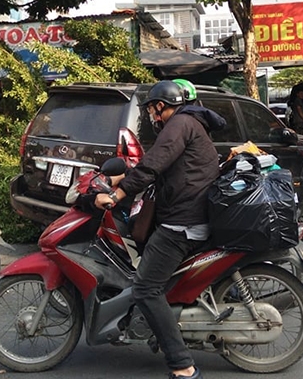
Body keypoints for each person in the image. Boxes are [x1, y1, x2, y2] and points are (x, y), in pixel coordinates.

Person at [95, 80, 222, 379]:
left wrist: (117, 195)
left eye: (152, 108)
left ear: (162, 106)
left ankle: (183, 366)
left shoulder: (179, 124)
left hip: (184, 222)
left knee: (145, 288)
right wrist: (117, 179)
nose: (151, 114)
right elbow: (156, 165)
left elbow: (153, 165)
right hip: (187, 214)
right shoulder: (190, 123)